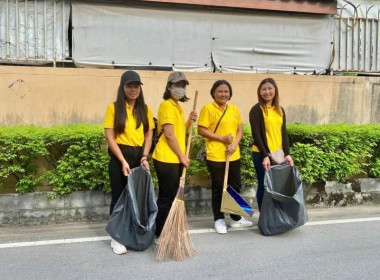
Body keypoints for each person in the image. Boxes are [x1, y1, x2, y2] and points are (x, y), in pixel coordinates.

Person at [104, 70, 154, 254]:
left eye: (136, 86)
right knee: (118, 197)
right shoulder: (114, 108)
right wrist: (123, 160)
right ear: (122, 87)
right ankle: (115, 238)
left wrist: (145, 156)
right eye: (129, 86)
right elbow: (110, 137)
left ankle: (133, 232)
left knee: (137, 197)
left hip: (138, 157)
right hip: (120, 158)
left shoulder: (145, 109)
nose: (133, 90)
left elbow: (149, 133)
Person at [197, 80, 253, 234]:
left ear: (230, 94)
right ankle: (219, 218)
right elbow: (201, 130)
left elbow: (239, 129)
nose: (223, 94)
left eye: (226, 91)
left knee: (234, 186)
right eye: (220, 91)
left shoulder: (233, 109)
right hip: (215, 155)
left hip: (233, 154)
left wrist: (234, 144)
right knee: (219, 187)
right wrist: (221, 138)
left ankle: (236, 219)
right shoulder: (208, 108)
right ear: (213, 93)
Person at [152, 72, 197, 239]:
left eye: (184, 86)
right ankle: (159, 234)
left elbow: (178, 133)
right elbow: (169, 136)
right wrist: (182, 157)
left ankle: (168, 229)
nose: (181, 88)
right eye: (178, 85)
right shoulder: (166, 106)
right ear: (169, 86)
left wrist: (189, 122)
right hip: (166, 158)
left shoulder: (177, 106)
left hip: (174, 158)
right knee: (167, 197)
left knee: (172, 196)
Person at [249, 78, 294, 211]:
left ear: (275, 90)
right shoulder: (257, 110)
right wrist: (265, 156)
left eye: (270, 88)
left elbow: (283, 133)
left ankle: (276, 216)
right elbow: (256, 135)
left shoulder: (280, 110)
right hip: (262, 154)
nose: (267, 92)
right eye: (264, 89)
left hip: (278, 155)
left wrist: (287, 154)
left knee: (277, 186)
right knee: (264, 185)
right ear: (259, 92)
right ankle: (265, 217)